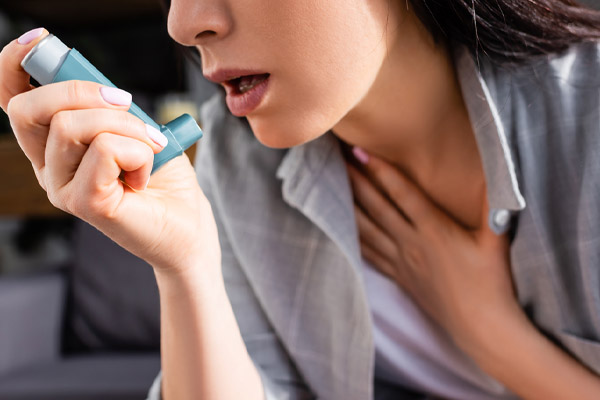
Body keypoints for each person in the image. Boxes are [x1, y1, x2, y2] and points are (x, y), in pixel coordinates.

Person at [2, 0, 600, 398]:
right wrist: (185, 266)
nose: (183, 23)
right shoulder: (241, 163)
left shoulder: (587, 119)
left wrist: (493, 335)